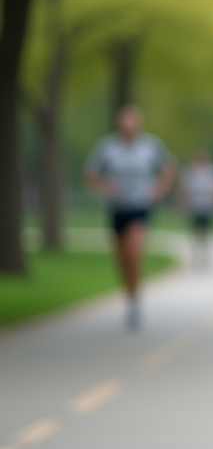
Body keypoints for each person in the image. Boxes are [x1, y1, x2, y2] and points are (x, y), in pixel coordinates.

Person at [84, 105, 176, 330]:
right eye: (124, 123)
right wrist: (104, 187)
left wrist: (159, 189)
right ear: (119, 125)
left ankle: (136, 302)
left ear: (139, 125)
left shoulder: (150, 146)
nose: (129, 127)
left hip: (140, 206)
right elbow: (90, 174)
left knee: (133, 252)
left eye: (132, 123)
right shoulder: (107, 147)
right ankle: (130, 297)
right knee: (121, 260)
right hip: (117, 208)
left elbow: (169, 168)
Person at [178, 149, 213, 269]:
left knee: (206, 231)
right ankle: (195, 254)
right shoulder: (190, 172)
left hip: (208, 206)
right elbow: (183, 189)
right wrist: (183, 204)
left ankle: (205, 253)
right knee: (195, 231)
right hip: (194, 206)